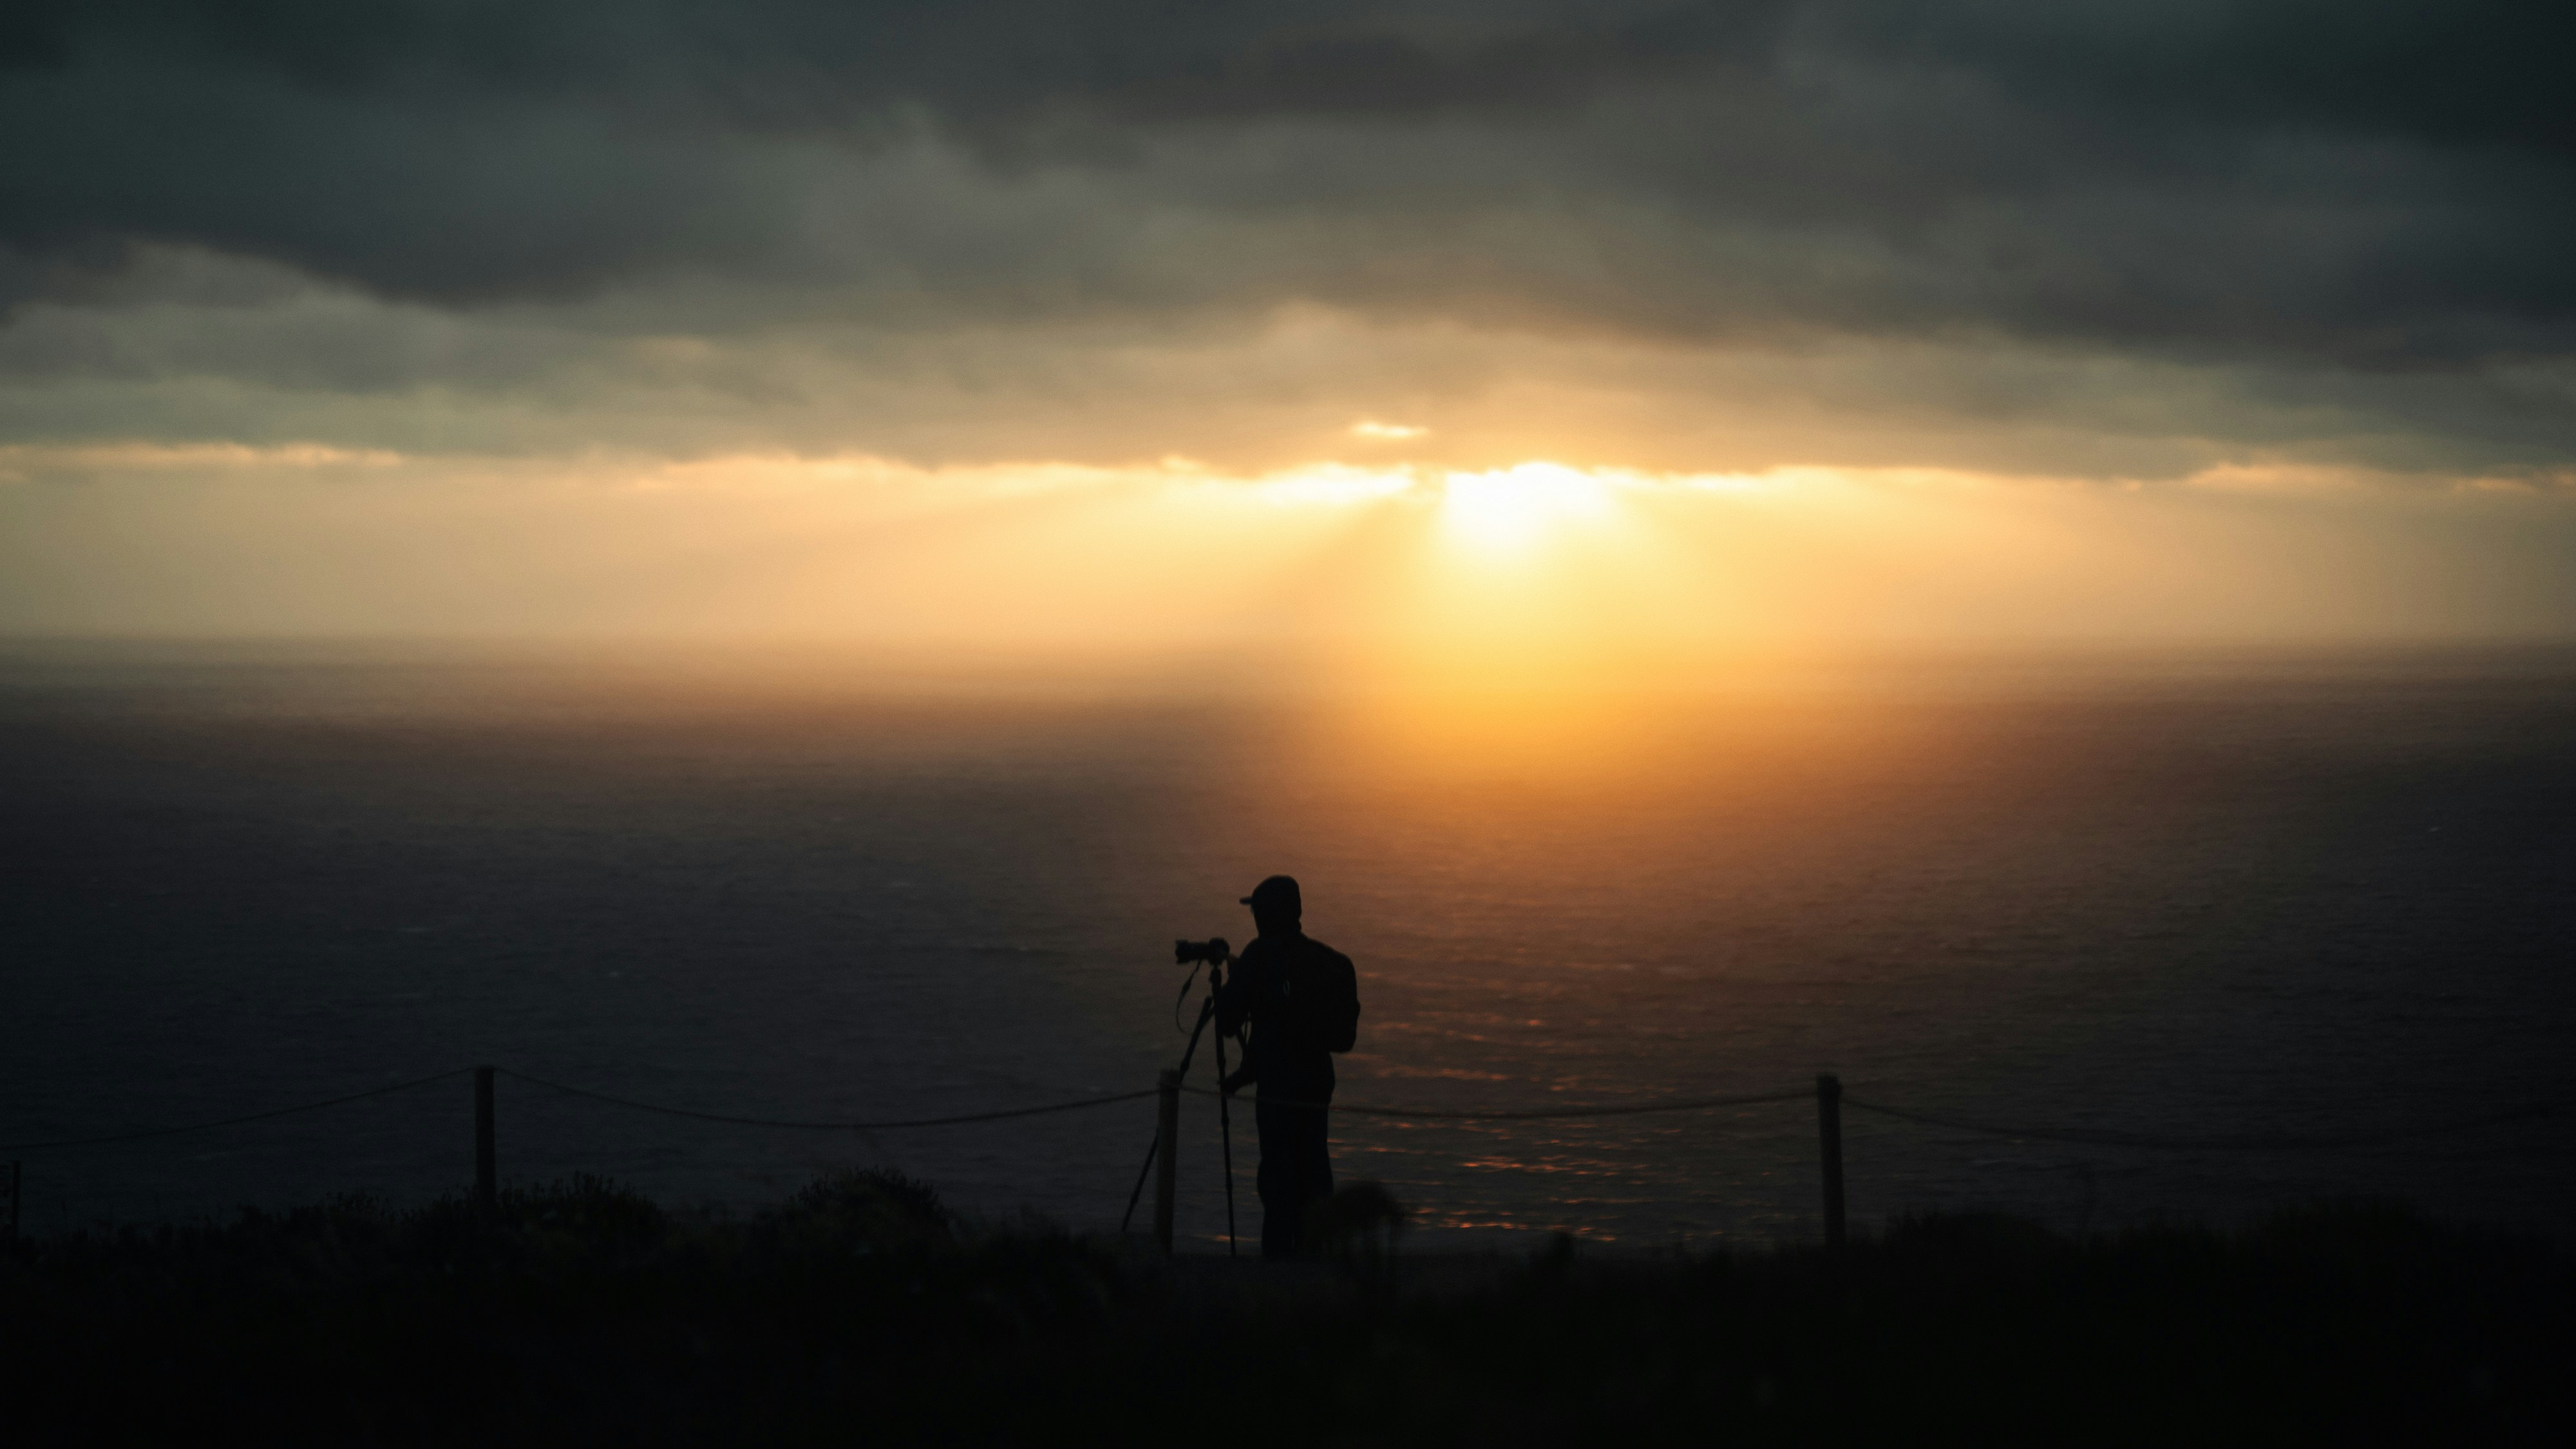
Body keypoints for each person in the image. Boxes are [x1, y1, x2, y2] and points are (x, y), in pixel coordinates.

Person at [1216, 875, 1361, 1260]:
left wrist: (1234, 983)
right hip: (1315, 1087)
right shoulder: (1326, 963)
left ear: (1267, 915)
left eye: (1257, 912)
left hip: (1278, 1092)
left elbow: (1227, 1023)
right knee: (1315, 1170)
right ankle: (1318, 1261)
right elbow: (1339, 1038)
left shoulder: (1258, 958)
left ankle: (1280, 1269)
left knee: (1278, 1180)